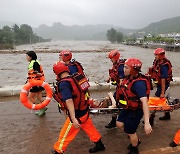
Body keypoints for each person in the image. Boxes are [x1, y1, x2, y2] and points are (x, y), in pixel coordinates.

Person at [52, 62, 105, 154]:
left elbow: (69, 101)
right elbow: (85, 93)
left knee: (65, 135)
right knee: (90, 128)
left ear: (56, 73)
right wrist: (89, 103)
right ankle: (99, 144)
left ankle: (58, 150)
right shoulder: (77, 78)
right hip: (84, 110)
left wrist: (73, 118)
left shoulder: (64, 84)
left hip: (77, 115)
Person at [116, 58, 152, 154]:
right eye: (124, 67)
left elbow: (144, 102)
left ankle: (134, 148)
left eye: (127, 68)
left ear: (133, 70)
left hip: (136, 110)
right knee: (119, 124)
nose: (124, 69)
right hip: (128, 107)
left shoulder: (139, 84)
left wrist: (147, 123)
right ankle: (134, 137)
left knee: (130, 131)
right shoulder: (129, 78)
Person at [148, 48, 173, 120]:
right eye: (155, 55)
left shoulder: (164, 66)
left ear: (161, 55)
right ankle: (167, 115)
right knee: (164, 100)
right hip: (160, 84)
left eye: (156, 55)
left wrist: (162, 92)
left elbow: (163, 80)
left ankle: (151, 119)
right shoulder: (157, 62)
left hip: (164, 85)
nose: (155, 56)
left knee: (155, 101)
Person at [105, 50, 125, 128]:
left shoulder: (121, 67)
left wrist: (120, 92)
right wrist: (109, 78)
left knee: (118, 104)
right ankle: (113, 121)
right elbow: (114, 73)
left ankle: (118, 121)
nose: (111, 60)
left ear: (115, 57)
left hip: (123, 89)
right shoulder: (116, 64)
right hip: (119, 87)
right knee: (116, 103)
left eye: (111, 58)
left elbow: (122, 80)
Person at [26, 51, 47, 116]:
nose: (26, 58)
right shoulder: (32, 63)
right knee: (39, 97)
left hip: (36, 83)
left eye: (27, 56)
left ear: (30, 57)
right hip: (36, 82)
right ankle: (43, 108)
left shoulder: (35, 63)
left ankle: (42, 108)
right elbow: (31, 74)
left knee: (30, 97)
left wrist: (35, 73)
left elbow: (39, 73)